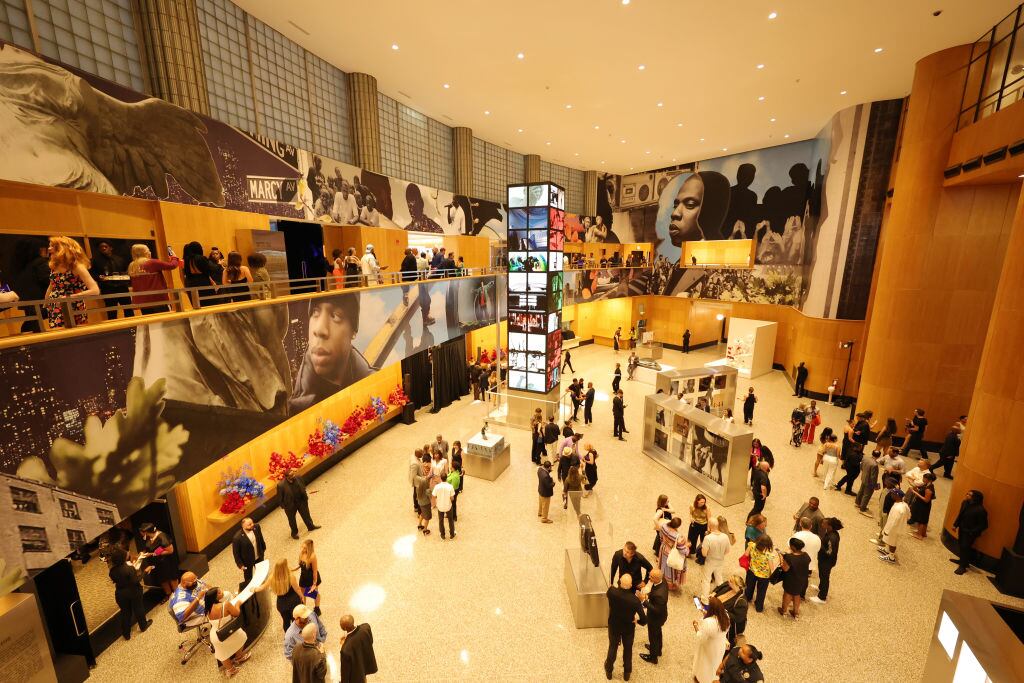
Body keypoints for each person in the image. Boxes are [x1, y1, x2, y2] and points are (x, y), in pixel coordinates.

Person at [288, 293, 374, 412]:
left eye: (335, 316)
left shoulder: (373, 384)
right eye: (315, 313)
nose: (319, 329)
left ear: (353, 331)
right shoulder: (296, 410)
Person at [44, 236, 99, 328]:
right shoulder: (54, 267)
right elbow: (52, 286)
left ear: (61, 248)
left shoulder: (77, 267)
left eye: (52, 246)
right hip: (55, 306)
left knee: (74, 335)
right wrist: (45, 304)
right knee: (57, 334)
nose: (49, 249)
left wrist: (70, 297)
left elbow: (95, 290)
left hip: (73, 306)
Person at [604, 574, 647, 681]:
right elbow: (644, 619)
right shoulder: (635, 600)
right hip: (628, 628)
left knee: (612, 647)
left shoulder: (612, 592)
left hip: (614, 625)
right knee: (628, 650)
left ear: (620, 582)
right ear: (631, 585)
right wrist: (638, 621)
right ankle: (627, 673)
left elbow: (609, 591)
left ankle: (609, 671)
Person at [106, 547, 152, 641]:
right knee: (138, 608)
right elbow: (136, 580)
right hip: (134, 591)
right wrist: (145, 572)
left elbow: (114, 580)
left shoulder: (112, 571)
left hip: (120, 593)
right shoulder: (129, 568)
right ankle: (143, 625)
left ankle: (126, 633)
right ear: (123, 558)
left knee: (125, 612)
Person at [204, 586, 251, 676]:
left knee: (222, 653)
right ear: (215, 597)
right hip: (229, 630)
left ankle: (230, 670)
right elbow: (236, 613)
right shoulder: (225, 604)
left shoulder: (207, 608)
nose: (222, 592)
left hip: (215, 634)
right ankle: (239, 657)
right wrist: (237, 604)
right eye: (219, 592)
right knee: (241, 637)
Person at [126, 243, 179, 314]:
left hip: (143, 302)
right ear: (145, 253)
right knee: (164, 322)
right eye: (148, 250)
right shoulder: (152, 263)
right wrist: (174, 257)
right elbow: (172, 265)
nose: (150, 252)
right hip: (158, 299)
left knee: (151, 322)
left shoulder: (132, 266)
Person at [692, 596, 730, 683]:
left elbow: (700, 637)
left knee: (704, 664)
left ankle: (701, 680)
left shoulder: (709, 623)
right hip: (719, 646)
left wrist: (695, 626)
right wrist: (704, 612)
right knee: (714, 664)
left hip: (708, 647)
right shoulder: (726, 616)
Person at [952, 490, 988, 575]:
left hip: (970, 533)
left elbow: (984, 525)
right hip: (962, 529)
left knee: (965, 547)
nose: (967, 495)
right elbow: (960, 514)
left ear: (975, 498)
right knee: (961, 544)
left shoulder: (981, 510)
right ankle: (963, 561)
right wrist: (955, 525)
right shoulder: (965, 503)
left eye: (969, 495)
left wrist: (971, 532)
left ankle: (963, 567)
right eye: (967, 493)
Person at [138, 522, 178, 597]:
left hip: (167, 562)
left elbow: (170, 550)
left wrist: (153, 554)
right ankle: (168, 595)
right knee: (162, 579)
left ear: (146, 532)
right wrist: (143, 553)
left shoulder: (162, 537)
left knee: (171, 577)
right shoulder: (149, 537)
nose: (140, 534)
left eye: (141, 532)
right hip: (157, 563)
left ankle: (177, 595)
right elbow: (148, 547)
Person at [279, 470, 320, 539]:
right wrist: (284, 507)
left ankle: (311, 526)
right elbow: (280, 498)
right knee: (292, 520)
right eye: (291, 475)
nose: (293, 476)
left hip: (301, 501)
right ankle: (294, 533)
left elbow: (303, 486)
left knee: (306, 514)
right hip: (290, 505)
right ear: (286, 477)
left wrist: (305, 496)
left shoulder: (298, 477)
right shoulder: (281, 485)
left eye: (293, 474)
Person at [638, 568, 668, 665]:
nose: (649, 577)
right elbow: (653, 592)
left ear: (656, 578)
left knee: (653, 637)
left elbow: (656, 609)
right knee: (658, 633)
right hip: (661, 616)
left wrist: (643, 600)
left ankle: (653, 657)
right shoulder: (662, 581)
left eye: (651, 576)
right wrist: (649, 596)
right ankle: (658, 650)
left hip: (656, 618)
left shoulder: (660, 595)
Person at [810, 517, 842, 604]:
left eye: (824, 524)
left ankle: (822, 597)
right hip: (823, 560)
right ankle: (820, 588)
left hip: (827, 561)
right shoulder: (830, 532)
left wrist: (820, 545)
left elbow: (829, 552)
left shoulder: (832, 537)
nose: (822, 525)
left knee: (825, 577)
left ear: (829, 526)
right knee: (821, 574)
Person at [339, 614, 378, 683]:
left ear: (344, 628)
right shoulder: (366, 627)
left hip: (357, 673)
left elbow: (345, 672)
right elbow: (370, 641)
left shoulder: (345, 650)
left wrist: (344, 644)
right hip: (365, 662)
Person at [655, 516, 690, 591]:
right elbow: (682, 550)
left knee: (663, 565)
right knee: (670, 569)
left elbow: (660, 536)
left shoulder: (663, 526)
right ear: (678, 526)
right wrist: (687, 548)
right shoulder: (678, 537)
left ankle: (662, 578)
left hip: (663, 548)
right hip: (671, 554)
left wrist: (663, 543)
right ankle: (669, 585)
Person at [700, 518, 732, 601]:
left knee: (706, 579)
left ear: (709, 526)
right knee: (719, 578)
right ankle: (721, 595)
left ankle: (705, 598)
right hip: (720, 560)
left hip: (710, 561)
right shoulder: (725, 536)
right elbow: (727, 551)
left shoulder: (708, 538)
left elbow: (704, 553)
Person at [743, 534, 776, 613]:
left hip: (752, 571)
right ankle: (759, 607)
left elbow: (746, 554)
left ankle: (747, 598)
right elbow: (772, 568)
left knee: (749, 586)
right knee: (761, 591)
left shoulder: (751, 545)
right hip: (764, 576)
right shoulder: (768, 554)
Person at [877, 489, 910, 563]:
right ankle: (886, 550)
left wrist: (887, 530)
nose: (891, 495)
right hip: (894, 527)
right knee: (889, 540)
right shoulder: (903, 504)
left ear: (897, 496)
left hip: (894, 528)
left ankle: (891, 557)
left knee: (892, 542)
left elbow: (894, 522)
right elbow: (909, 515)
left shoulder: (898, 508)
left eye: (893, 494)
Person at [231, 517, 266, 584]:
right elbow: (236, 553)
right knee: (248, 577)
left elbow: (260, 538)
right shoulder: (237, 538)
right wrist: (240, 564)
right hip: (247, 561)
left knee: (261, 572)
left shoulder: (257, 527)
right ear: (243, 526)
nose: (252, 525)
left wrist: (263, 548)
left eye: (252, 523)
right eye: (249, 524)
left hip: (258, 555)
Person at [296, 539, 322, 614]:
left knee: (314, 593)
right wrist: (294, 569)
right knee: (302, 593)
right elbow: (301, 564)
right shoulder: (301, 553)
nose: (302, 549)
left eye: (305, 548)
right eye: (302, 547)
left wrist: (314, 583)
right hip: (303, 576)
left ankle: (317, 608)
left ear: (309, 548)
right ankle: (303, 608)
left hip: (311, 578)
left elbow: (314, 570)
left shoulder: (312, 556)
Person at [909, 472, 937, 539]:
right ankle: (923, 533)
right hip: (922, 504)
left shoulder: (928, 488)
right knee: (924, 519)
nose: (923, 479)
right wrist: (917, 489)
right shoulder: (927, 485)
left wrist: (915, 492)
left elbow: (926, 500)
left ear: (928, 479)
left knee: (921, 519)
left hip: (923, 505)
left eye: (924, 478)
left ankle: (919, 535)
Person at [432, 473, 456, 539]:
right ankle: (452, 534)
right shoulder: (450, 486)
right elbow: (452, 498)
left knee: (441, 521)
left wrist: (438, 497)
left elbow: (433, 496)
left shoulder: (437, 486)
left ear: (440, 478)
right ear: (446, 478)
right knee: (450, 520)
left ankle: (442, 535)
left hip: (440, 506)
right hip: (448, 506)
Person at [688, 494, 711, 566]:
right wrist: (691, 518)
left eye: (704, 502)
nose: (703, 504)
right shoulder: (692, 506)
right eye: (701, 502)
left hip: (703, 526)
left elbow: (709, 519)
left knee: (703, 542)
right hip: (694, 524)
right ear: (697, 501)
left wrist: (708, 530)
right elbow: (690, 514)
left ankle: (701, 556)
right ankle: (690, 552)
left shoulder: (707, 508)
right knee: (691, 539)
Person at [414, 458, 433, 535]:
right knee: (427, 517)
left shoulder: (419, 483)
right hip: (426, 503)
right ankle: (425, 529)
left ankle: (419, 525)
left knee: (422, 513)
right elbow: (430, 495)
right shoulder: (426, 485)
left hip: (420, 502)